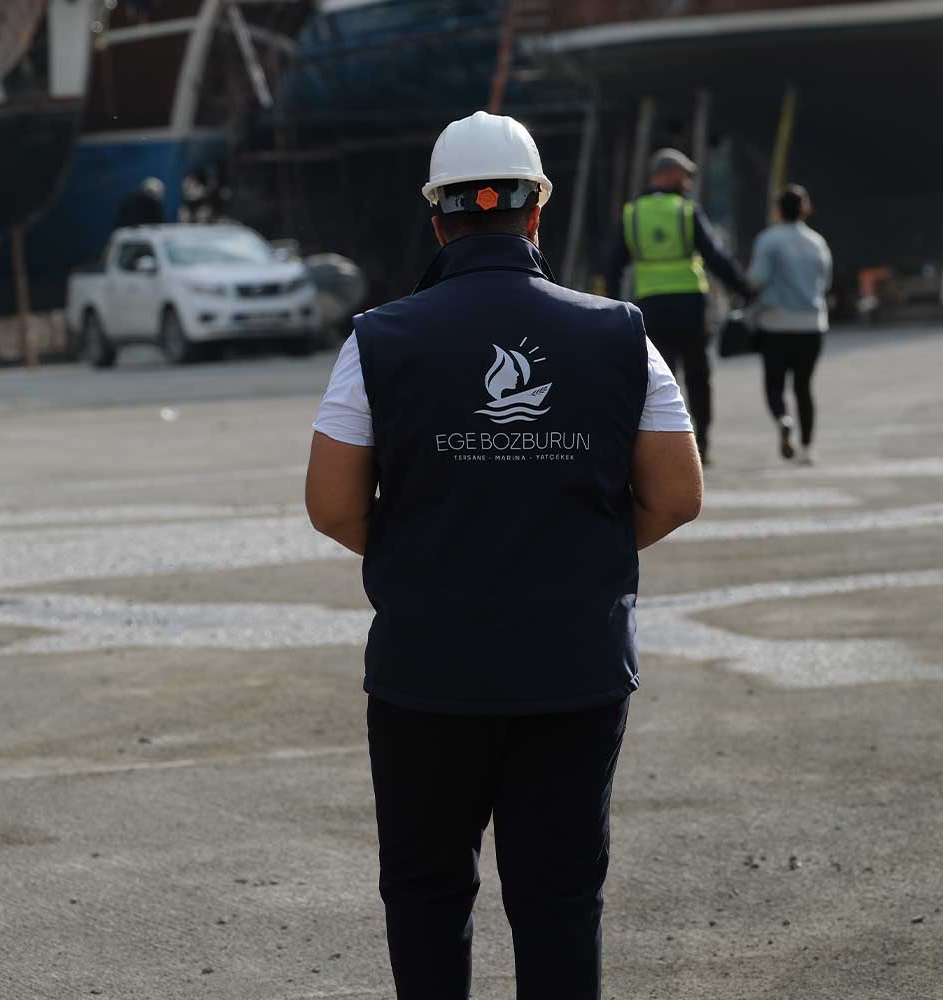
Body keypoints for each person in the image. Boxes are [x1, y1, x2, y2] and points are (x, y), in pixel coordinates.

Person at [305, 110, 703, 999]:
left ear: (437, 219)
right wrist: (578, 547)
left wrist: (426, 551)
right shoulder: (620, 333)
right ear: (537, 214)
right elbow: (677, 494)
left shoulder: (379, 339)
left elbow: (332, 505)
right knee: (559, 900)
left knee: (426, 892)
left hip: (426, 671)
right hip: (574, 668)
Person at [607, 148, 754, 463]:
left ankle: (663, 448)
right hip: (690, 305)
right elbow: (714, 257)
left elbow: (613, 265)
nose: (687, 182)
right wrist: (744, 289)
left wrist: (611, 309)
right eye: (684, 175)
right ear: (667, 174)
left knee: (661, 379)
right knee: (698, 376)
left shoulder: (632, 214)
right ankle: (703, 443)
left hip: (651, 306)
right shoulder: (686, 211)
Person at [748, 184, 833, 465]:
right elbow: (826, 283)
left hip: (776, 324)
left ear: (778, 210)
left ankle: (783, 419)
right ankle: (807, 447)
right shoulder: (817, 242)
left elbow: (757, 279)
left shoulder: (768, 240)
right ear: (805, 209)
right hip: (812, 325)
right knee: (804, 387)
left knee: (774, 385)